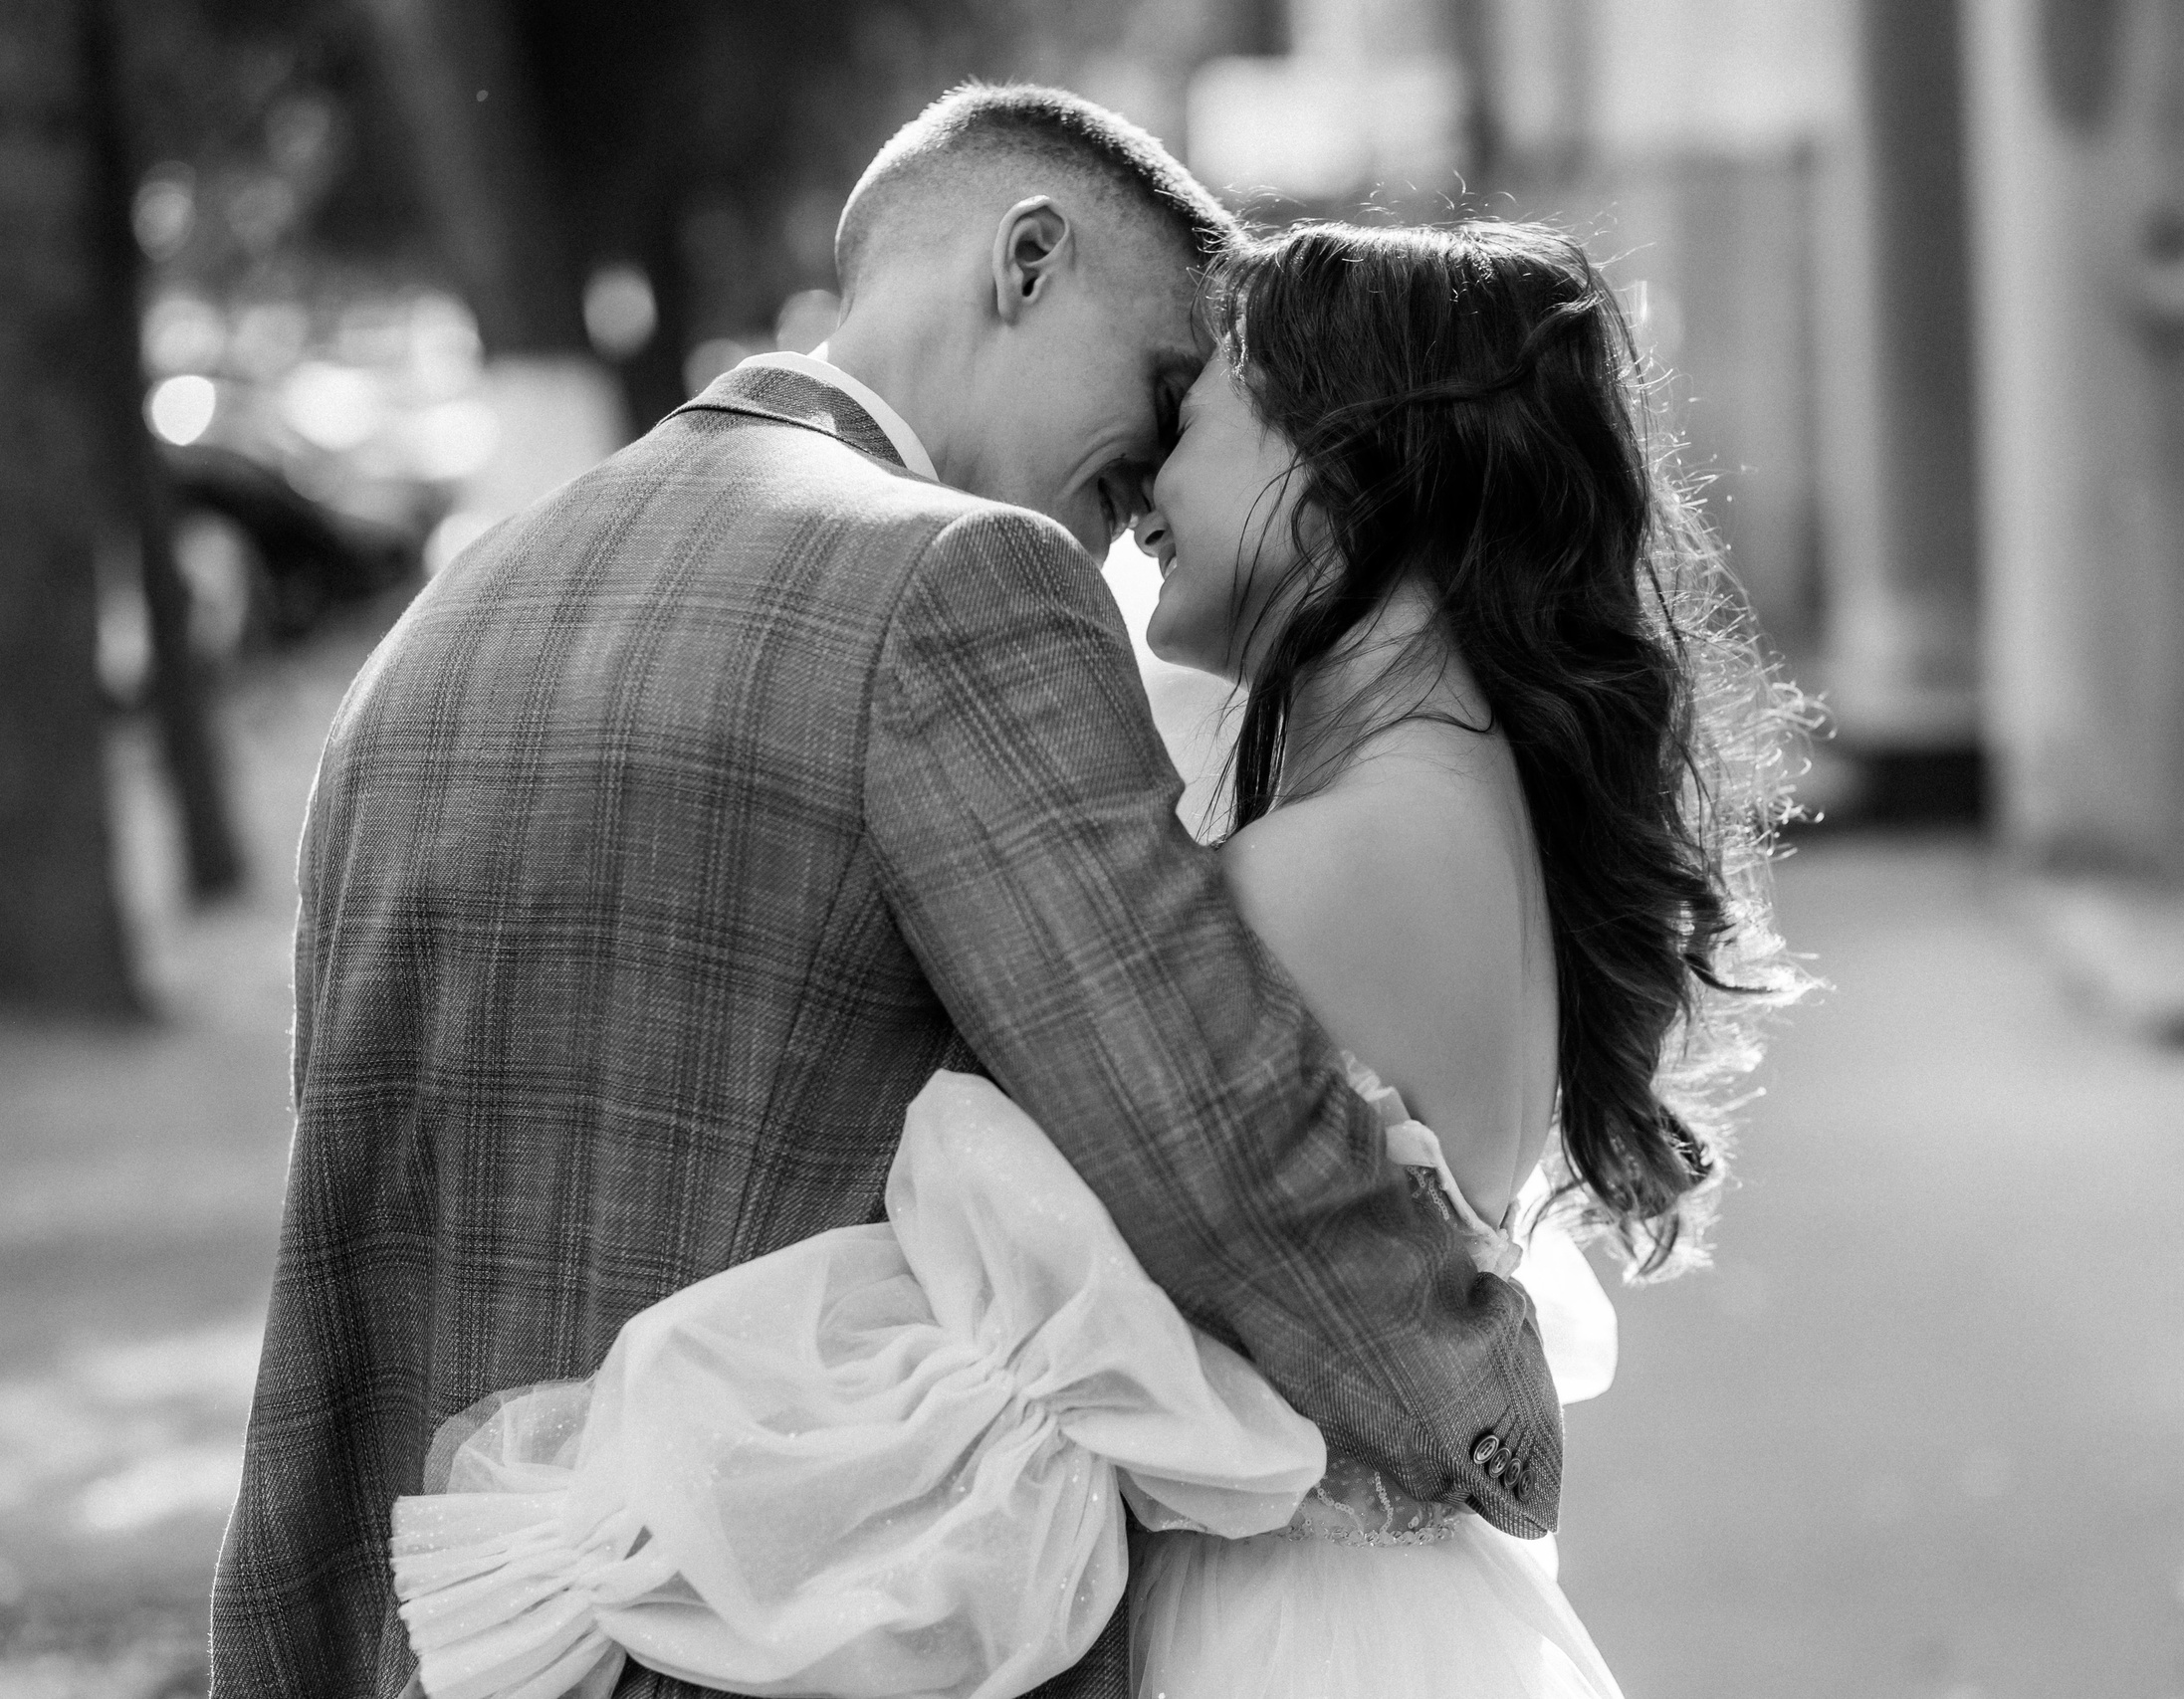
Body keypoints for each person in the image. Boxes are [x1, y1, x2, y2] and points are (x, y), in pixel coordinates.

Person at [209, 85, 1564, 1699]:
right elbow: (1211, 1136)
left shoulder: (443, 624)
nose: (1146, 495)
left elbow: (341, 1261)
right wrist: (1487, 1404)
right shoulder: (957, 583)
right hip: (768, 1647)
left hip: (437, 1640)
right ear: (1027, 263)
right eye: (1160, 390)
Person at [379, 218, 1798, 1698]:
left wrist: (611, 1538)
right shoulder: (1459, 812)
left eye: (1198, 418)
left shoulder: (1320, 867)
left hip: (1271, 1637)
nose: (1147, 493)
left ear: (1344, 463)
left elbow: (1036, 1335)